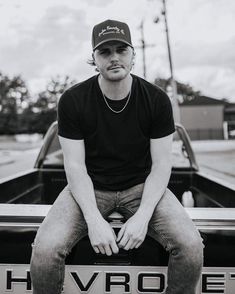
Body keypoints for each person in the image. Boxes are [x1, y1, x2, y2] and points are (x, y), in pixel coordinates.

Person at [30, 19, 204, 294]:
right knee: (45, 249)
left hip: (142, 186)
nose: (114, 58)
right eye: (105, 51)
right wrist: (94, 220)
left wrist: (143, 216)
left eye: (121, 49)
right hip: (90, 188)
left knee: (191, 245)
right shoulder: (73, 100)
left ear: (133, 55)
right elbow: (75, 166)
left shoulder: (156, 100)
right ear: (94, 59)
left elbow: (161, 164)